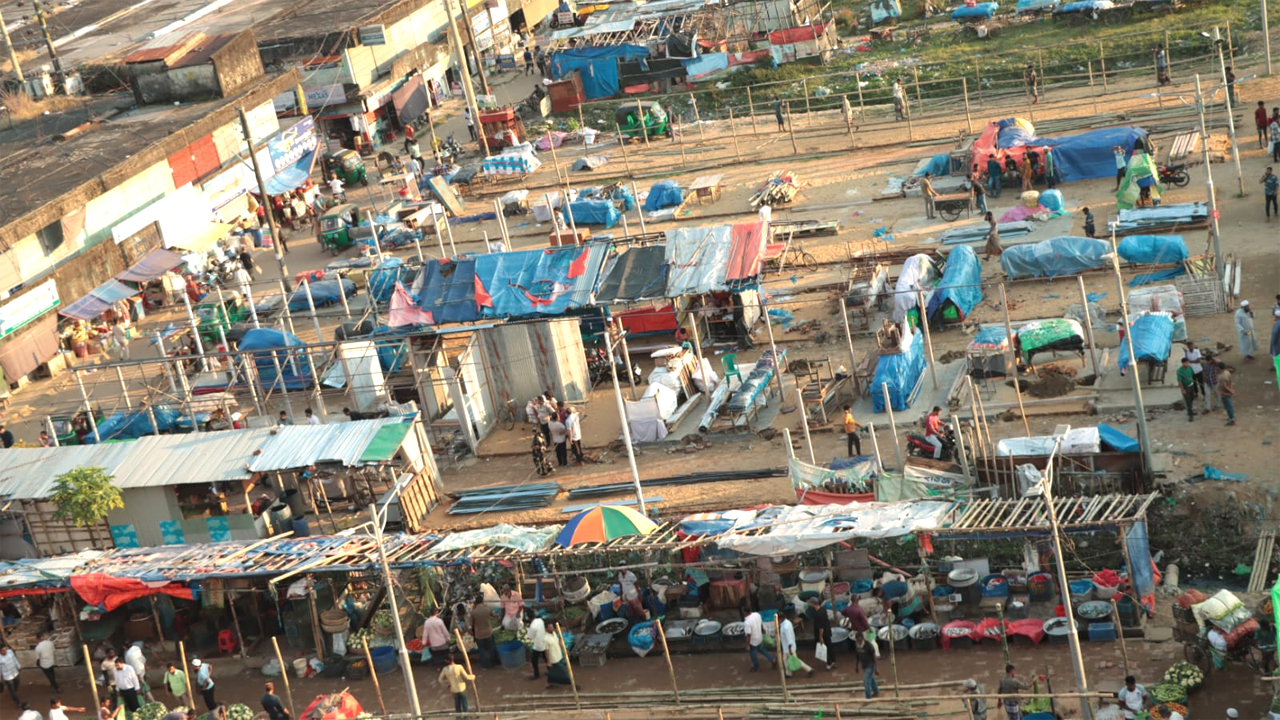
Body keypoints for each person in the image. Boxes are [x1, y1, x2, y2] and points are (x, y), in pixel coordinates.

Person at [779, 608, 813, 678]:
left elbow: (789, 639)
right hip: (787, 647)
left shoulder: (785, 627)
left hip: (788, 648)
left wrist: (790, 650)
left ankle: (809, 669)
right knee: (785, 660)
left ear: (780, 619)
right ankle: (788, 673)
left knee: (795, 660)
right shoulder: (787, 623)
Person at [806, 596, 835, 670]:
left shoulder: (818, 614)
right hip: (827, 631)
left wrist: (820, 637)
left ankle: (829, 662)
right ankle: (833, 661)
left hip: (823, 633)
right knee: (830, 646)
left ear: (813, 604)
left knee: (824, 648)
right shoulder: (823, 609)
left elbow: (820, 627)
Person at [470, 597, 498, 669]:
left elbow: (471, 624)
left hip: (479, 634)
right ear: (482, 602)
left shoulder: (473, 612)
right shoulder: (487, 609)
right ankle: (493, 663)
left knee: (481, 650)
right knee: (491, 648)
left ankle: (484, 666)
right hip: (488, 632)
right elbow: (494, 615)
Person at [543, 620, 572, 689]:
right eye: (550, 628)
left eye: (552, 627)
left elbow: (559, 642)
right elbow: (546, 651)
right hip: (554, 658)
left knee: (553, 672)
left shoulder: (554, 634)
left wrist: (565, 649)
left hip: (559, 655)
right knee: (563, 671)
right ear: (546, 628)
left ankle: (548, 683)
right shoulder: (545, 639)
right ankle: (571, 683)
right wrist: (548, 661)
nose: (552, 629)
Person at [526, 612, 548, 680]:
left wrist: (528, 629)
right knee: (546, 658)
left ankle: (536, 674)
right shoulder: (540, 620)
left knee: (534, 660)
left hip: (538, 645)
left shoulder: (532, 626)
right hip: (544, 641)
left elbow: (530, 636)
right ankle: (550, 671)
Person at [1176, 358, 1196, 422]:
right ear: (1183, 363)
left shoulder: (1190, 368)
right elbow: (1180, 382)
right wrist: (1183, 390)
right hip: (1186, 387)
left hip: (1191, 385)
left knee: (1192, 398)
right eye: (1187, 363)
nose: (1188, 364)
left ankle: (1190, 411)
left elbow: (1192, 375)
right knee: (1188, 401)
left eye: (1188, 362)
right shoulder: (1179, 371)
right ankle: (1190, 415)